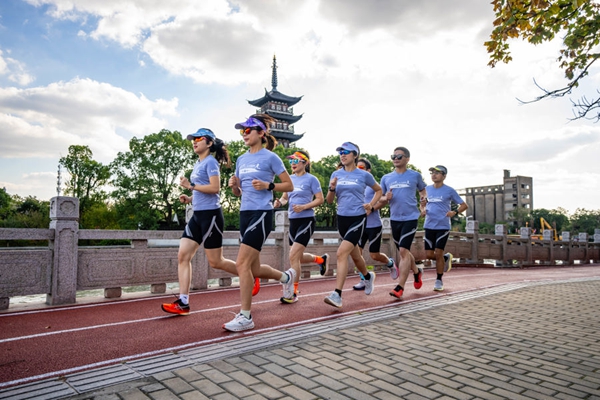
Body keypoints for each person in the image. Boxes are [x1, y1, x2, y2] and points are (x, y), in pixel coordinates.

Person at [162, 128, 259, 315]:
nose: (194, 141)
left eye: (199, 138)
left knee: (216, 262)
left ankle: (249, 274)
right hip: (197, 215)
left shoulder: (211, 163)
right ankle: (183, 302)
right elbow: (201, 191)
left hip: (211, 216)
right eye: (193, 139)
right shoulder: (197, 164)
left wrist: (190, 186)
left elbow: (215, 188)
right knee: (183, 256)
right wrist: (189, 198)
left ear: (209, 143)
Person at [225, 114, 295, 331]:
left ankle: (246, 316)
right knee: (252, 268)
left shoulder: (271, 158)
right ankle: (286, 277)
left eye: (248, 130)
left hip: (262, 214)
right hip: (244, 214)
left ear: (261, 133)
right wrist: (233, 185)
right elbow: (238, 193)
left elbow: (289, 185)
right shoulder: (241, 159)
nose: (244, 135)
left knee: (241, 264)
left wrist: (268, 185)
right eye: (242, 131)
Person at [324, 142, 382, 308]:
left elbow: (379, 190)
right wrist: (332, 188)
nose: (342, 155)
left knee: (342, 253)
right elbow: (329, 201)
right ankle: (367, 276)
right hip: (342, 219)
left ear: (355, 155)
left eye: (346, 152)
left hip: (358, 218)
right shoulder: (336, 174)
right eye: (340, 152)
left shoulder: (363, 175)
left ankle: (337, 294)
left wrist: (371, 205)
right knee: (355, 255)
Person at [273, 150, 327, 303]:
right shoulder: (289, 179)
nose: (293, 164)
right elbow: (284, 198)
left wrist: (304, 207)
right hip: (293, 221)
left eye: (296, 160)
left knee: (293, 256)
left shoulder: (312, 179)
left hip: (306, 220)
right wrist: (279, 203)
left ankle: (293, 292)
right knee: (296, 256)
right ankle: (320, 260)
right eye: (291, 161)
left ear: (305, 162)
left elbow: (320, 199)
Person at [378, 146, 427, 300]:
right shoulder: (386, 178)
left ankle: (400, 287)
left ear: (407, 159)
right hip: (395, 219)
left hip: (411, 217)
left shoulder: (415, 176)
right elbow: (380, 198)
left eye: (399, 156)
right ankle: (417, 272)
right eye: (393, 156)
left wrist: (423, 203)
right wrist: (386, 198)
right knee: (404, 252)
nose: (396, 159)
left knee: (404, 250)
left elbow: (423, 192)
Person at [353, 158, 399, 291]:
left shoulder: (372, 184)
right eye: (357, 167)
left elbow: (383, 199)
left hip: (373, 225)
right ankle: (364, 279)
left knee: (374, 255)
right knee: (357, 254)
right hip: (359, 224)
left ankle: (390, 263)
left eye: (361, 168)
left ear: (368, 171)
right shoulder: (354, 184)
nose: (358, 170)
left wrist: (372, 208)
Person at [421, 165, 468, 291]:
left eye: (437, 172)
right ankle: (446, 258)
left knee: (438, 252)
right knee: (429, 254)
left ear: (444, 176)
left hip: (443, 226)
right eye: (432, 172)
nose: (434, 175)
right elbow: (422, 204)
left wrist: (455, 212)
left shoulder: (449, 190)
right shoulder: (426, 189)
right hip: (429, 225)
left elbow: (464, 205)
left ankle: (439, 280)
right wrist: (423, 210)